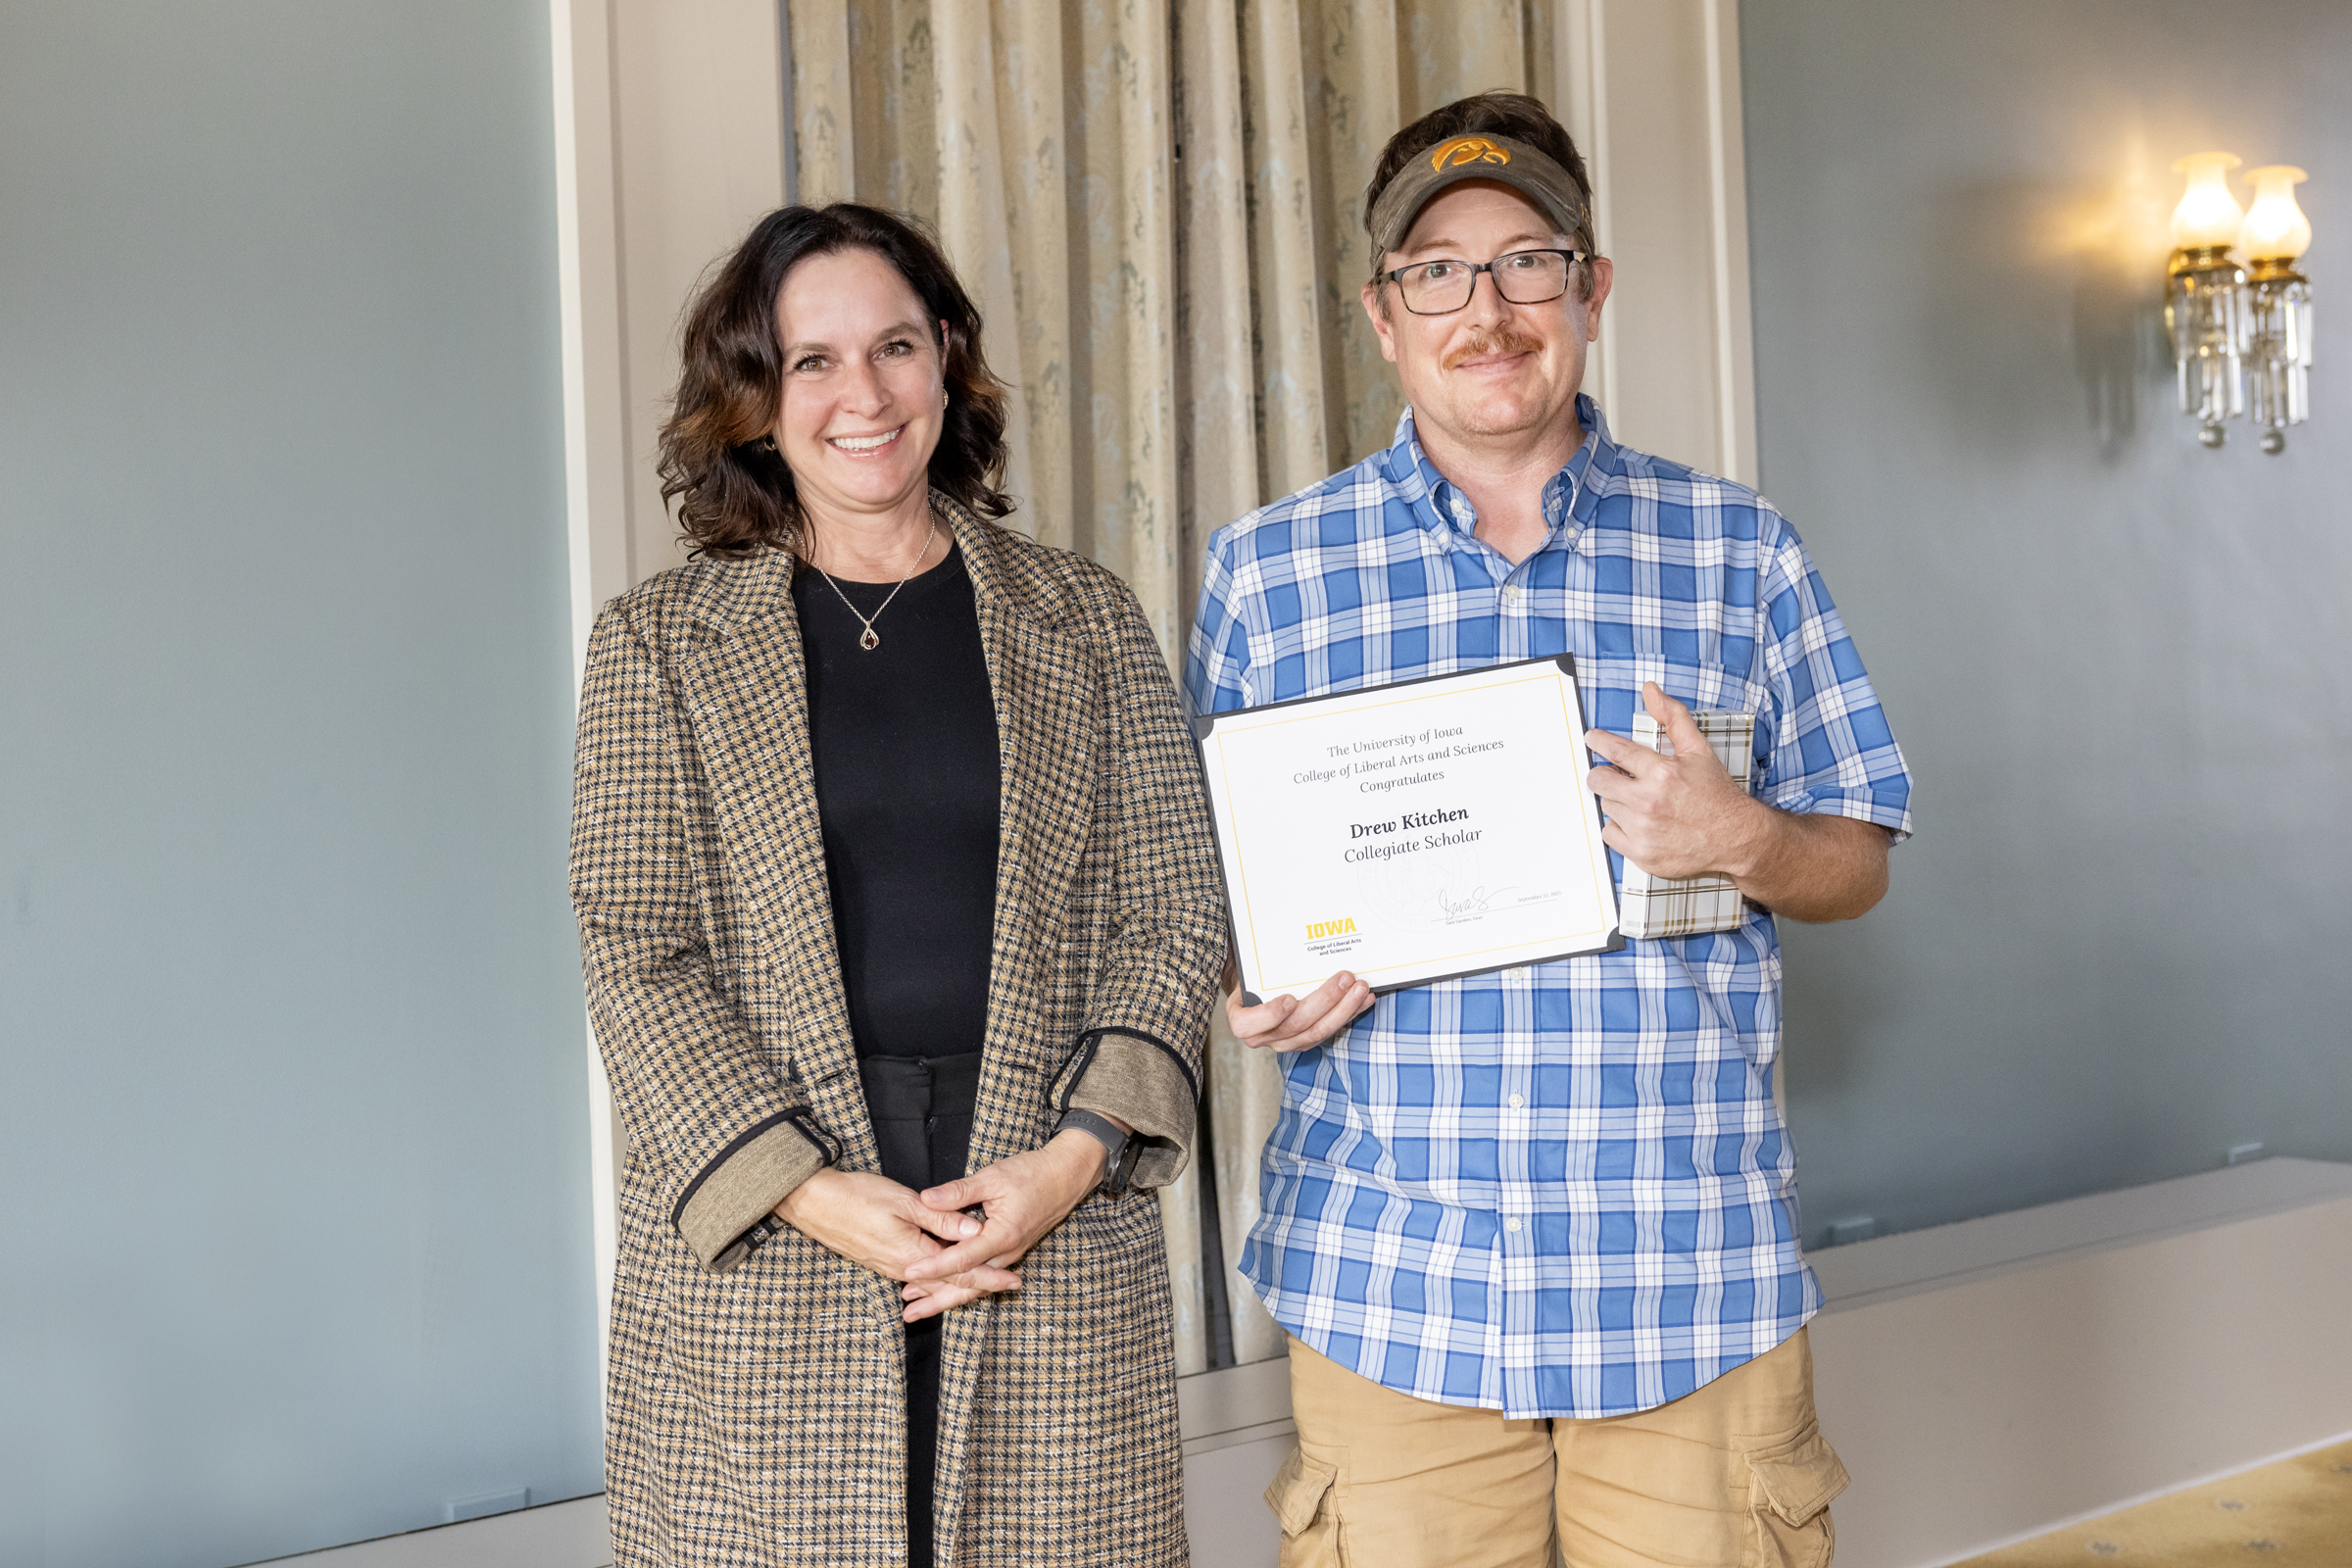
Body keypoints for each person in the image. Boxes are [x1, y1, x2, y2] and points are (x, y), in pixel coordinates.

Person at [1184, 94, 1914, 1565]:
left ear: (1593, 288)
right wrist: (1250, 984)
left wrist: (1741, 838)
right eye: (1436, 273)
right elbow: (1212, 891)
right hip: (1394, 1285)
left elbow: (1857, 861)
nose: (1487, 310)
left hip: (1689, 1281)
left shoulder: (1742, 550)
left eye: (1528, 261)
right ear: (1383, 315)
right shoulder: (1268, 573)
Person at [571, 202, 1223, 1568]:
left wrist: (1076, 1158)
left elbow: (1173, 909)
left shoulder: (1085, 617)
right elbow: (635, 946)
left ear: (947, 363)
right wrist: (805, 1186)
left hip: (1039, 1197)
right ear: (755, 397)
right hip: (774, 1213)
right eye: (811, 361)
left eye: (895, 347)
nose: (861, 395)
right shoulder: (657, 643)